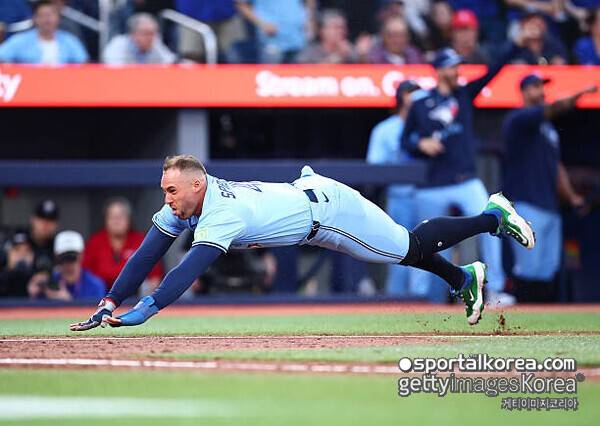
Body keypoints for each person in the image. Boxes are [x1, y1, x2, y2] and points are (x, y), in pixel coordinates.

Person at [70, 155, 534, 331]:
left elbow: (187, 269)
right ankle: (463, 278)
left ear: (197, 185)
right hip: (309, 207)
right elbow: (148, 252)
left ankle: (492, 217)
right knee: (404, 250)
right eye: (164, 191)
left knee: (407, 248)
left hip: (329, 213)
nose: (167, 199)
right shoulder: (187, 202)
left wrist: (147, 308)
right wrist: (110, 299)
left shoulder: (220, 212)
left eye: (172, 190)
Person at [400, 43, 526, 304]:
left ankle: (496, 289)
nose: (457, 71)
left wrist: (516, 46)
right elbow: (405, 141)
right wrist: (420, 143)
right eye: (452, 67)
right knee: (423, 240)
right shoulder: (420, 102)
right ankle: (420, 297)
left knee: (493, 222)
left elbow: (492, 72)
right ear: (439, 71)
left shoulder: (464, 94)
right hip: (432, 184)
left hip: (465, 180)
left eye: (458, 66)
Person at [502, 74, 596, 301]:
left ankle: (541, 319)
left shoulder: (549, 129)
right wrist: (581, 94)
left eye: (541, 87)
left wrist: (571, 197)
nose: (541, 91)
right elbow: (553, 108)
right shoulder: (519, 118)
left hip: (549, 206)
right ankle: (520, 317)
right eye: (535, 87)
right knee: (528, 268)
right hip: (525, 202)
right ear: (524, 91)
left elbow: (556, 166)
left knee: (547, 269)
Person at [366, 80, 420, 296]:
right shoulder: (385, 129)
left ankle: (427, 301)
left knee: (431, 251)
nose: (413, 99)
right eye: (409, 94)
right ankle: (397, 301)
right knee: (399, 252)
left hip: (426, 194)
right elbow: (374, 166)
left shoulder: (429, 126)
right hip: (399, 196)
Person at [83, 197, 163, 291]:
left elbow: (155, 277)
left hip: (134, 296)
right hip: (101, 295)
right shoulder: (95, 242)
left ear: (129, 219)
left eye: (121, 216)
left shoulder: (141, 241)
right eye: (112, 217)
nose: (116, 221)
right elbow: (83, 277)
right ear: (106, 219)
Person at [0, 0, 88, 64]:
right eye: (42, 15)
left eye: (50, 15)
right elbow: (2, 56)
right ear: (34, 18)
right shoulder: (20, 40)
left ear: (58, 17)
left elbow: (83, 63)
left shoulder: (69, 40)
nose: (47, 20)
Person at [235, 0, 315, 63]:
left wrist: (309, 18)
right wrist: (262, 24)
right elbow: (241, 5)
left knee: (300, 76)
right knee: (270, 76)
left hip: (299, 37)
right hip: (272, 40)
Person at [45, 230, 106, 301]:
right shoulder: (49, 281)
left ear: (81, 256)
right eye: (64, 258)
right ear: (56, 257)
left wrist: (67, 302)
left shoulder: (95, 285)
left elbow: (100, 308)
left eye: (72, 257)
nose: (68, 264)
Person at [102, 13, 176, 65]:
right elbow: (112, 68)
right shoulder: (118, 44)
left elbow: (170, 63)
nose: (150, 37)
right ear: (133, 34)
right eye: (146, 33)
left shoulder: (155, 44)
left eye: (153, 33)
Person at [0, 230, 35, 298]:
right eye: (17, 250)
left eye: (27, 251)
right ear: (9, 253)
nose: (22, 255)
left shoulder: (37, 278)